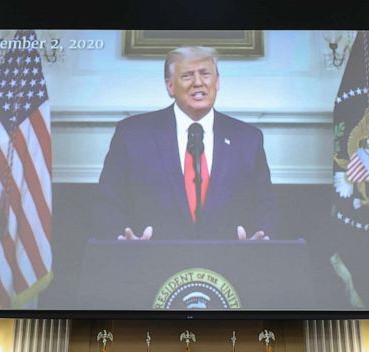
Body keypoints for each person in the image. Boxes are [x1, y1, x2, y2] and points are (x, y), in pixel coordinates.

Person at [94, 46, 277, 241]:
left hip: (227, 263)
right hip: (151, 263)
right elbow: (108, 202)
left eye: (205, 74)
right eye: (187, 76)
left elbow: (265, 204)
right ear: (170, 86)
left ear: (217, 82)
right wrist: (121, 240)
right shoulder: (132, 134)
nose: (198, 83)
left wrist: (260, 241)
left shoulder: (247, 138)